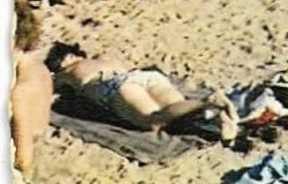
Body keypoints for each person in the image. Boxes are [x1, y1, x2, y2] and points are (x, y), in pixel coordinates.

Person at [45, 43, 238, 140]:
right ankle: (215, 117)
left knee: (152, 121)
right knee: (177, 111)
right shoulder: (102, 57)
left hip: (117, 86)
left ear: (68, 56)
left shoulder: (67, 72)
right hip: (145, 76)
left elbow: (47, 87)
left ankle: (208, 101)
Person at [13, 6, 51, 175]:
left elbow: (24, 160)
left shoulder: (20, 91)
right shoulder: (39, 67)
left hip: (27, 144)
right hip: (40, 136)